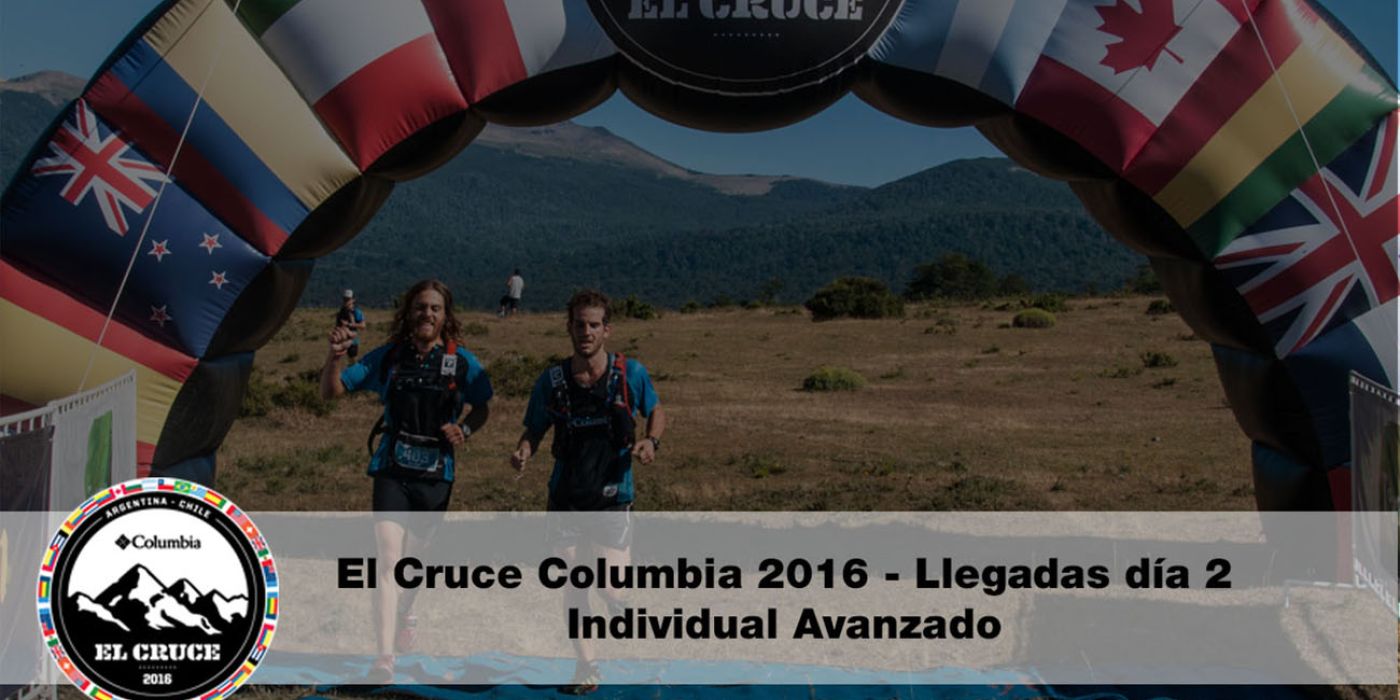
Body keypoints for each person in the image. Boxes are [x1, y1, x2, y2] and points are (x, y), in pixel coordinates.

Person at [320, 279, 493, 683]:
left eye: (435, 308)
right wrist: (334, 357)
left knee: (413, 564)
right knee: (388, 561)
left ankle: (405, 612)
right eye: (420, 307)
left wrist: (465, 430)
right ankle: (384, 659)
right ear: (408, 312)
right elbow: (332, 391)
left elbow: (483, 405)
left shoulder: (462, 362)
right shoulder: (390, 357)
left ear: (445, 316)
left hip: (435, 476)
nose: (426, 314)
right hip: (392, 470)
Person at [510, 289, 666, 694]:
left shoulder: (630, 374)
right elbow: (534, 429)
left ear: (607, 330)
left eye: (594, 325)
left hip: (613, 496)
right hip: (566, 495)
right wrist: (524, 450)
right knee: (572, 579)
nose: (586, 332)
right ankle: (587, 666)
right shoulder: (552, 381)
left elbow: (656, 410)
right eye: (579, 324)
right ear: (569, 327)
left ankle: (617, 602)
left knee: (610, 585)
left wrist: (651, 441)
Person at [335, 289, 366, 359]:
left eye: (348, 299)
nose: (346, 301)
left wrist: (350, 324)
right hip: (341, 340)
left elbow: (363, 326)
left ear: (353, 300)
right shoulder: (341, 312)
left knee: (352, 360)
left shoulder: (357, 312)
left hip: (352, 341)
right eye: (345, 299)